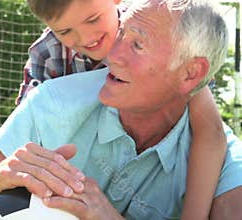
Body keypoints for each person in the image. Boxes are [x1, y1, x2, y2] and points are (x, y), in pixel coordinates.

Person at [0, 0, 234, 219]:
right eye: (122, 35)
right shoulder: (51, 100)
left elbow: (211, 131)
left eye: (137, 45)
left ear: (190, 73)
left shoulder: (223, 158)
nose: (109, 53)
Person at [16, 0, 226, 219]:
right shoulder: (49, 52)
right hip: (71, 176)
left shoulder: (152, 25)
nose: (86, 38)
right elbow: (26, 127)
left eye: (92, 19)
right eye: (65, 31)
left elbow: (211, 131)